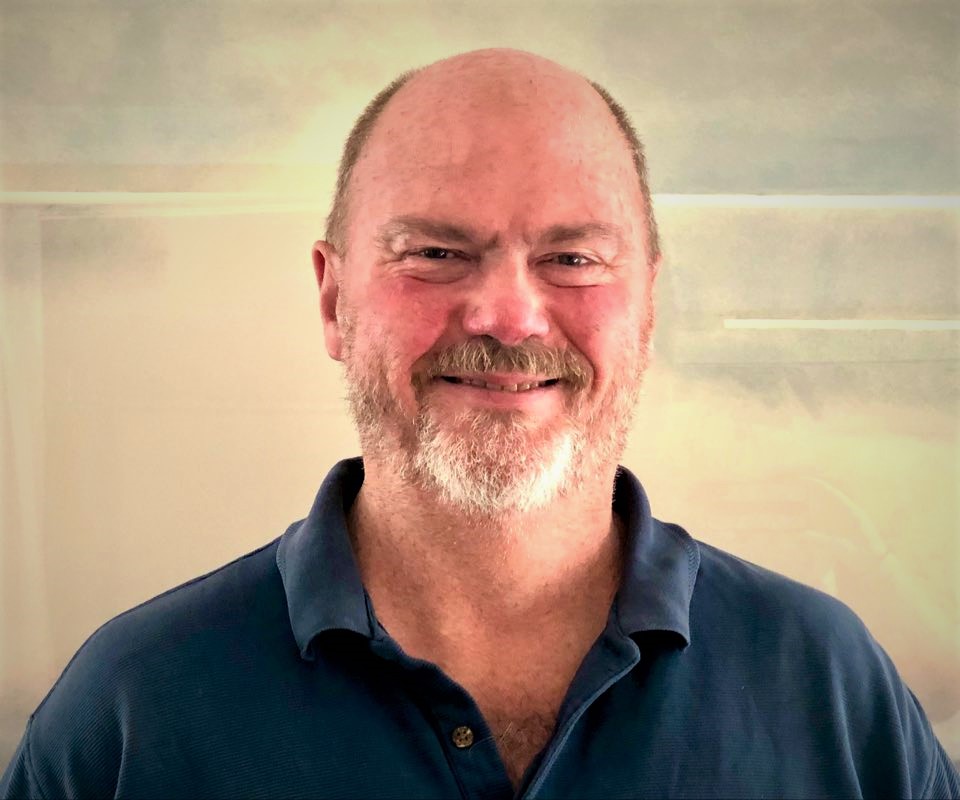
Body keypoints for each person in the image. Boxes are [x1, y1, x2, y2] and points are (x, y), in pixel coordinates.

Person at [2, 47, 957, 800]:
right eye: (435, 252)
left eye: (573, 259)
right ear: (333, 300)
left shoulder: (829, 687)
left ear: (648, 307)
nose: (507, 315)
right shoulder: (135, 710)